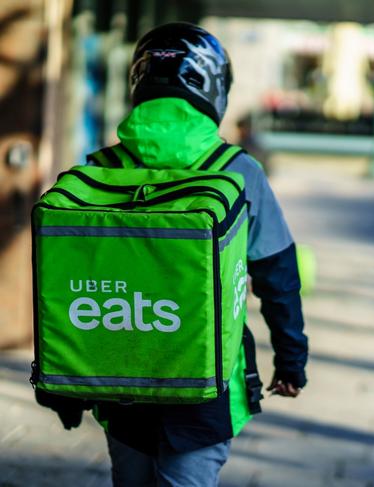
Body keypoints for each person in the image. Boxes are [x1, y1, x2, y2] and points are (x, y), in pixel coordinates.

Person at [36, 23, 308, 486]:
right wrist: (291, 359)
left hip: (118, 381)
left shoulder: (100, 168)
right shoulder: (238, 171)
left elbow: (67, 277)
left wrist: (65, 383)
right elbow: (276, 274)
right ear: (215, 89)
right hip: (204, 390)